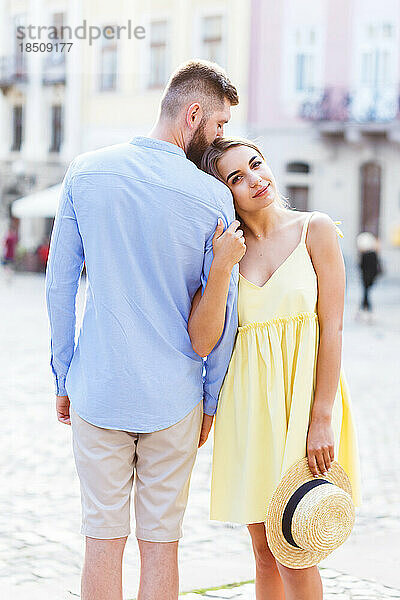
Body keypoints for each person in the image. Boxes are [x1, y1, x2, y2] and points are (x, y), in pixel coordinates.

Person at [45, 60, 241, 600]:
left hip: (98, 388)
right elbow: (222, 317)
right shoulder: (213, 199)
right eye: (219, 125)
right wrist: (210, 398)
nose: (220, 138)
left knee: (101, 540)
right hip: (174, 397)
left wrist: (64, 375)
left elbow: (59, 284)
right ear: (193, 114)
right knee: (162, 544)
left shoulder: (87, 171)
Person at [188, 137, 361, 600]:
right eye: (236, 178)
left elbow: (334, 328)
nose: (255, 180)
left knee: (295, 546)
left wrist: (322, 416)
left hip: (303, 402)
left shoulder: (315, 229)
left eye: (256, 165)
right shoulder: (224, 251)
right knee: (264, 549)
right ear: (224, 193)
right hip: (247, 408)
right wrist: (223, 263)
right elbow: (202, 338)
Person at [356, 231, 381, 321]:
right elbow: (376, 266)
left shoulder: (364, 255)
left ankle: (365, 311)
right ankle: (365, 311)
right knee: (366, 294)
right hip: (371, 277)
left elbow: (361, 266)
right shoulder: (373, 254)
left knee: (366, 294)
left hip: (365, 277)